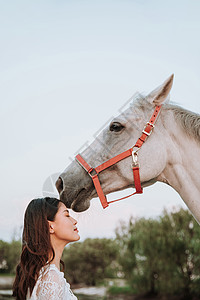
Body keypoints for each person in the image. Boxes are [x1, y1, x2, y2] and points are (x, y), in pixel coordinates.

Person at [13, 197, 80, 300]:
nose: (74, 221)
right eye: (67, 215)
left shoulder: (44, 275)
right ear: (50, 227)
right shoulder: (51, 279)